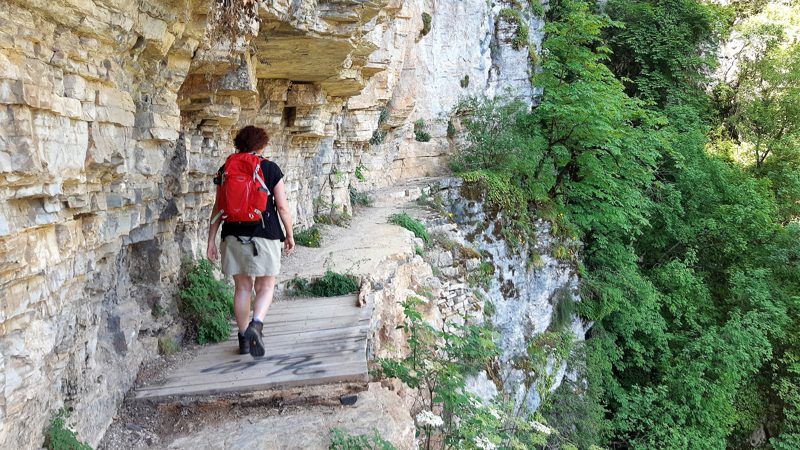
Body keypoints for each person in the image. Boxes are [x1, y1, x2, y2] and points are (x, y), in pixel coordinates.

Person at [206, 125, 295, 357]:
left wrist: (211, 241)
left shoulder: (226, 168)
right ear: (262, 145)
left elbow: (218, 208)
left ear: (238, 144)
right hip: (265, 236)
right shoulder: (270, 168)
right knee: (265, 285)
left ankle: (244, 339)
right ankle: (257, 324)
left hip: (232, 235)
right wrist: (289, 234)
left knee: (242, 287)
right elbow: (282, 207)